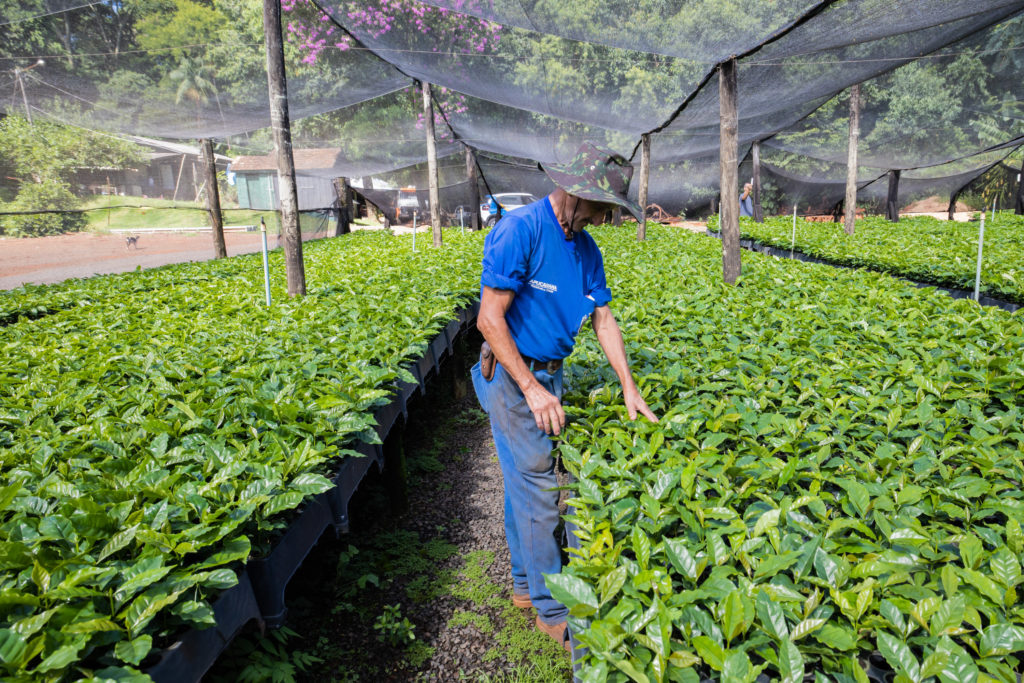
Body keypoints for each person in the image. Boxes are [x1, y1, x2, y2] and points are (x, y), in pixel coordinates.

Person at [470, 142, 659, 653]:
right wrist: (531, 389)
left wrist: (628, 385)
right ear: (574, 192)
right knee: (538, 488)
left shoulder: (587, 249)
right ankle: (552, 610)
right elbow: (489, 320)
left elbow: (603, 319)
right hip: (513, 376)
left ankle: (523, 585)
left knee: (522, 478)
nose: (604, 217)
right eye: (601, 206)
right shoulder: (521, 230)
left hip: (549, 375)